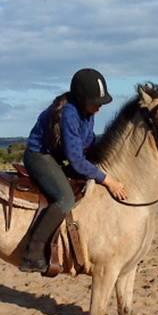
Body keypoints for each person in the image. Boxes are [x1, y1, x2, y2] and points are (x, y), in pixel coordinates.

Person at [19, 68, 128, 273]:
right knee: (65, 198)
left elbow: (88, 142)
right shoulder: (69, 114)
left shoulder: (87, 112)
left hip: (58, 156)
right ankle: (32, 254)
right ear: (80, 98)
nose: (99, 107)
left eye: (101, 103)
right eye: (96, 102)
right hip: (40, 156)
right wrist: (108, 180)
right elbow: (76, 160)